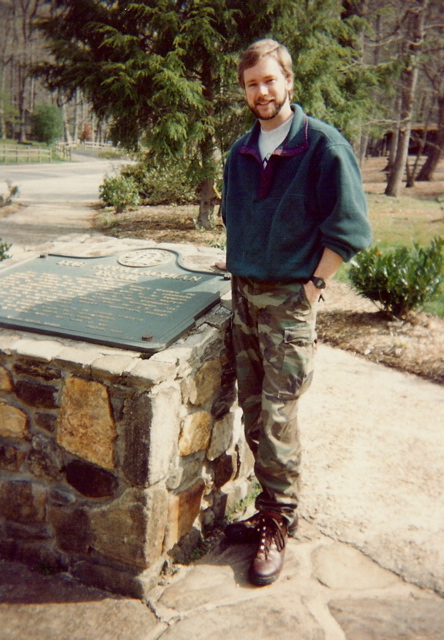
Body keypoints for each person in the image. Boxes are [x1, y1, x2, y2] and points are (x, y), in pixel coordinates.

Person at [221, 38, 372, 586]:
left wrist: (313, 284)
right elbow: (235, 217)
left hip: (289, 305)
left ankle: (279, 522)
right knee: (253, 411)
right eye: (251, 84)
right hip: (244, 300)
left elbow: (351, 229)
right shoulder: (241, 152)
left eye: (269, 80)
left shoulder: (323, 146)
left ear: (288, 81)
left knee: (279, 417)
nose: (261, 92)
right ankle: (269, 507)